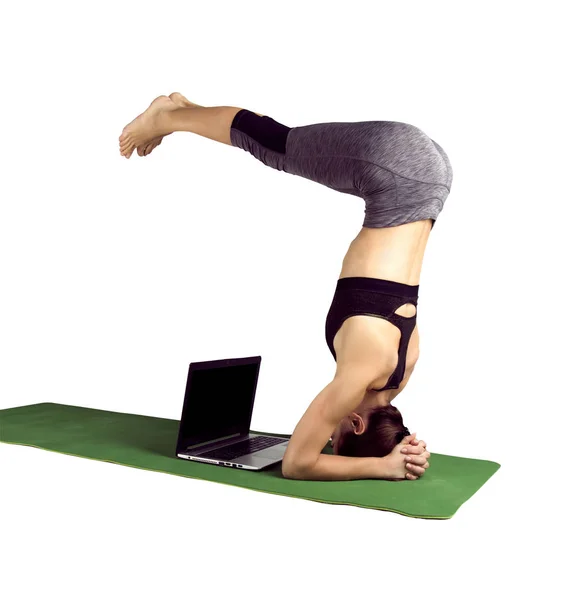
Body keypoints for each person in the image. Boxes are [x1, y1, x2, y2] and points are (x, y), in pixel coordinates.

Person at [119, 93, 453, 482]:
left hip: (429, 180)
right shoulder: (357, 379)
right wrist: (382, 466)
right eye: (336, 438)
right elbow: (298, 463)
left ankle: (186, 110)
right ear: (357, 425)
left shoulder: (400, 371)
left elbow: (381, 418)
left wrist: (404, 447)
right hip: (396, 166)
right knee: (273, 144)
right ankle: (167, 116)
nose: (327, 437)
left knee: (272, 140)